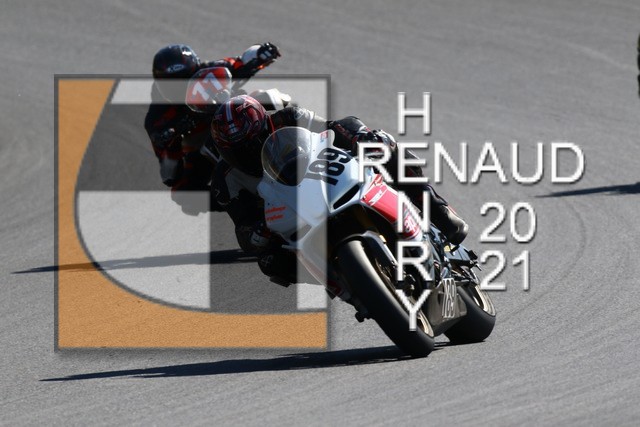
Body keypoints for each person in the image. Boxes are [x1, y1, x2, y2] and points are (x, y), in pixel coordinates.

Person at [208, 95, 469, 285]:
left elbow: (334, 127)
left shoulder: (289, 117)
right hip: (290, 215)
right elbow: (242, 226)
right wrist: (255, 232)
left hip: (326, 176)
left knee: (383, 146)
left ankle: (436, 208)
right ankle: (346, 283)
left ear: (266, 125)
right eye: (238, 150)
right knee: (270, 262)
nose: (249, 152)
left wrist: (359, 136)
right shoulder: (225, 178)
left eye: (254, 142)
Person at [144, 43, 280, 215]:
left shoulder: (210, 71)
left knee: (267, 97)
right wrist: (167, 142)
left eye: (186, 78)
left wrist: (261, 53)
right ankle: (244, 203)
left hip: (238, 114)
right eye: (173, 83)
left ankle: (300, 130)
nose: (182, 88)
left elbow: (241, 62)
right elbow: (170, 175)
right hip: (203, 146)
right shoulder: (156, 119)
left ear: (196, 69)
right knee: (184, 195)